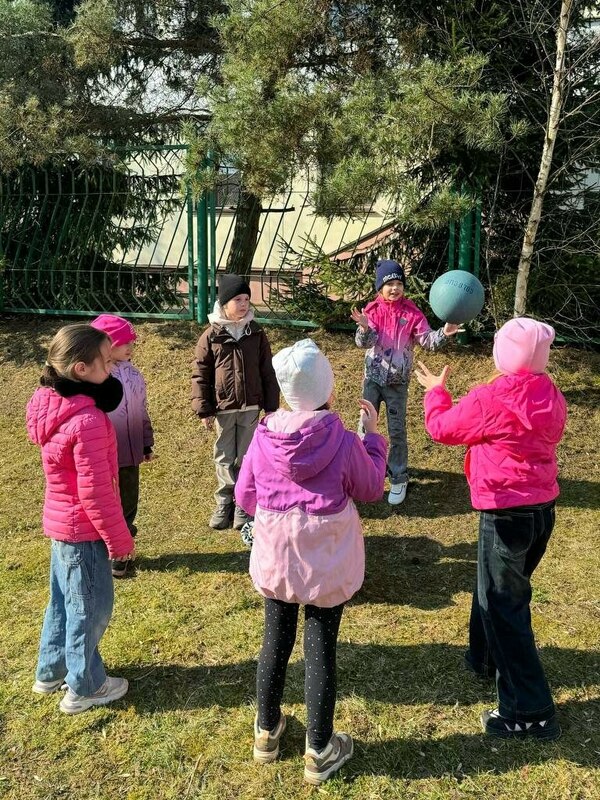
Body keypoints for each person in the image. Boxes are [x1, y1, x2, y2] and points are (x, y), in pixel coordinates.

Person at [235, 338, 387, 784]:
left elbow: (244, 495)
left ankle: (266, 731)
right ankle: (319, 748)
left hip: (278, 555)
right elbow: (371, 487)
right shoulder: (343, 439)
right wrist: (373, 439)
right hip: (326, 558)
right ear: (328, 389)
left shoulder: (263, 437)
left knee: (275, 638)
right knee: (320, 645)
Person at [414, 317, 567, 740]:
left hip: (505, 513)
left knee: (506, 606)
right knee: (495, 591)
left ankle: (530, 711)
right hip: (541, 511)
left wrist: (436, 393)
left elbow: (442, 428)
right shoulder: (551, 392)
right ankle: (484, 658)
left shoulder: (491, 397)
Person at [26, 323, 135, 714]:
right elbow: (97, 491)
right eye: (107, 362)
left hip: (63, 527)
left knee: (63, 602)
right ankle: (85, 685)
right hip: (83, 531)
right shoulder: (87, 422)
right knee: (91, 609)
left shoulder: (52, 404)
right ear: (81, 369)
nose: (113, 367)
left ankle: (51, 670)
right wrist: (119, 540)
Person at [351, 259, 461, 505]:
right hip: (372, 381)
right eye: (389, 284)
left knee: (397, 430)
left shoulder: (412, 313)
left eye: (399, 283)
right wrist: (364, 328)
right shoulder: (372, 311)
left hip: (397, 384)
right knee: (364, 426)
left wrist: (445, 332)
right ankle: (362, 473)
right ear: (380, 288)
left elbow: (427, 341)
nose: (395, 288)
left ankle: (398, 477)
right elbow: (363, 343)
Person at [191, 274, 279, 530]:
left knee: (246, 456)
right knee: (224, 456)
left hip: (251, 407)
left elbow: (267, 371)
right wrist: (204, 409)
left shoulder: (256, 332)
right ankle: (224, 502)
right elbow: (201, 374)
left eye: (246, 299)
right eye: (237, 299)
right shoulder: (211, 335)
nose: (243, 304)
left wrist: (271, 407)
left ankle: (243, 503)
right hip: (224, 408)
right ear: (224, 303)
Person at [90, 314, 154, 578]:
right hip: (102, 455)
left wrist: (146, 442)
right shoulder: (97, 378)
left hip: (129, 454)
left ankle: (123, 551)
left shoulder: (135, 375)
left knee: (128, 501)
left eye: (131, 342)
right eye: (123, 342)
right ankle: (103, 549)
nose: (129, 347)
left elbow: (141, 410)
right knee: (106, 502)